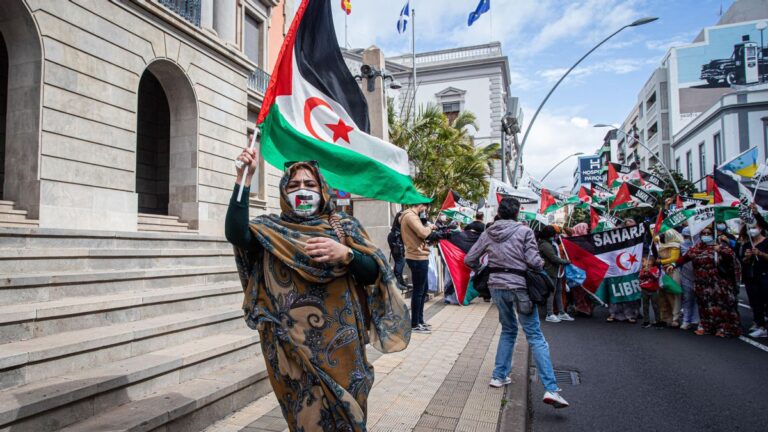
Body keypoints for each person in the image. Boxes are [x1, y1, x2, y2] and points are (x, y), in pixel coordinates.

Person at [225, 152, 410, 431]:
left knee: (349, 414)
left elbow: (375, 272)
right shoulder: (271, 230)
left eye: (310, 184)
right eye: (294, 185)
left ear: (323, 189)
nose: (302, 190)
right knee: (307, 420)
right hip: (291, 348)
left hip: (343, 347)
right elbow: (236, 234)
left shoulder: (344, 227)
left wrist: (346, 253)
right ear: (284, 192)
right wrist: (244, 178)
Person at [465, 197, 569, 409]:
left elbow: (469, 259)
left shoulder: (488, 232)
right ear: (517, 214)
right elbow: (533, 261)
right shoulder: (524, 232)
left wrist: (483, 269)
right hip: (520, 287)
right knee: (535, 335)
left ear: (500, 212)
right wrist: (538, 263)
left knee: (508, 330)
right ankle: (551, 388)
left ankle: (499, 376)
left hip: (496, 287)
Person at [675, 226, 742, 338]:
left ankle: (723, 328)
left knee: (721, 306)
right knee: (705, 305)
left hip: (719, 283)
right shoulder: (697, 247)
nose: (706, 235)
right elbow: (685, 258)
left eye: (708, 233)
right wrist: (673, 265)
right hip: (702, 283)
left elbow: (731, 257)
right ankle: (707, 326)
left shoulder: (720, 245)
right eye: (704, 233)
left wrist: (720, 250)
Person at [400, 202, 437, 333]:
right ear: (420, 205)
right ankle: (415, 324)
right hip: (417, 256)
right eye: (425, 206)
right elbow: (422, 233)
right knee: (418, 291)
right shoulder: (411, 216)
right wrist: (431, 227)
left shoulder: (410, 216)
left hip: (419, 256)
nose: (425, 210)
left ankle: (420, 321)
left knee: (423, 290)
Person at [606, 219, 641, 324]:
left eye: (633, 227)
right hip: (616, 269)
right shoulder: (615, 237)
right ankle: (613, 313)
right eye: (628, 227)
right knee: (615, 290)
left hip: (630, 269)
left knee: (628, 290)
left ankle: (630, 314)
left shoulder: (637, 237)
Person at [537, 225, 573, 323]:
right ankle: (550, 313)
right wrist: (567, 262)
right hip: (550, 272)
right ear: (550, 235)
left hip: (556, 272)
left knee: (558, 292)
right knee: (551, 293)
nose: (557, 236)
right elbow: (553, 258)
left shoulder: (550, 243)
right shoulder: (545, 245)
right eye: (555, 234)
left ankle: (561, 312)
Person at [739, 224, 768, 338]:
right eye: (750, 228)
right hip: (751, 276)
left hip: (765, 275)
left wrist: (760, 254)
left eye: (754, 228)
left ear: (760, 229)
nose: (752, 230)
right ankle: (760, 325)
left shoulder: (766, 242)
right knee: (756, 302)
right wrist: (747, 257)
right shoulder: (748, 244)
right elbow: (743, 261)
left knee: (766, 300)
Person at [567, 223, 594, 317]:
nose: (587, 230)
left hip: (575, 270)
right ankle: (587, 309)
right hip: (585, 268)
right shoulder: (586, 241)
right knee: (585, 290)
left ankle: (581, 308)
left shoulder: (571, 240)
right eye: (586, 229)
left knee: (578, 290)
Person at [657, 229, 683, 327]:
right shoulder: (659, 243)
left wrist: (661, 262)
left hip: (672, 270)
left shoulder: (675, 245)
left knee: (673, 294)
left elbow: (674, 258)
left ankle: (675, 318)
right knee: (662, 295)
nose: (662, 235)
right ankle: (664, 318)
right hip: (662, 271)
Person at [679, 227, 700, 330]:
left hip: (700, 275)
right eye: (685, 236)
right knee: (687, 298)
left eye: (689, 236)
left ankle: (696, 320)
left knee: (699, 298)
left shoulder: (702, 246)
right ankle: (686, 320)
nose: (686, 239)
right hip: (686, 274)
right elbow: (680, 260)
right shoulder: (681, 246)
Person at [639, 255, 662, 328]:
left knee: (656, 306)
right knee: (645, 306)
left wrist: (649, 272)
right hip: (644, 290)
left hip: (653, 290)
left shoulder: (655, 269)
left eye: (643, 261)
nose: (642, 263)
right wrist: (644, 273)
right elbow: (640, 277)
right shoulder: (643, 269)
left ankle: (658, 321)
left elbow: (656, 277)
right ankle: (646, 321)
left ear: (650, 262)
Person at [387, 209, 407, 289]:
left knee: (400, 260)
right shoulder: (401, 215)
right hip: (396, 239)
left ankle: (400, 281)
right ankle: (397, 282)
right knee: (400, 261)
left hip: (396, 238)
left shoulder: (401, 215)